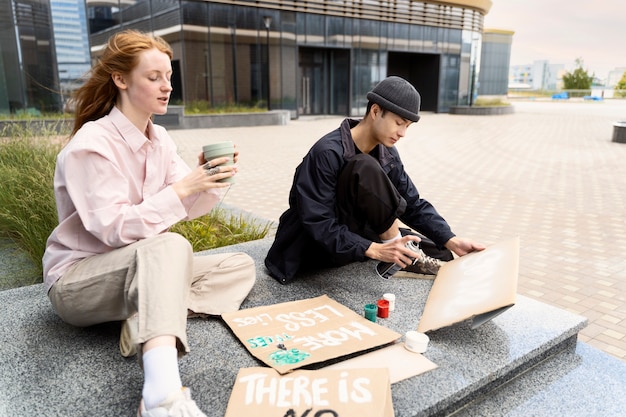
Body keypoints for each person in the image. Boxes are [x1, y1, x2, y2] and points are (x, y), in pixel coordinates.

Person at [42, 30, 256, 417]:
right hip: (79, 281)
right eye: (153, 77)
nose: (166, 86)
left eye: (169, 77)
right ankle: (161, 393)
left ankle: (144, 318)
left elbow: (189, 207)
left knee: (238, 265)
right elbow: (112, 229)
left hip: (141, 268)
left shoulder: (160, 140)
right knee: (172, 246)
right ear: (121, 80)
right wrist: (182, 187)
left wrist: (209, 177)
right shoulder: (92, 145)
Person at [265, 76, 484, 284]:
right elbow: (319, 223)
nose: (402, 133)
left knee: (440, 251)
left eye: (407, 126)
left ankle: (396, 249)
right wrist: (375, 249)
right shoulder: (327, 152)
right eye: (399, 123)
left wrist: (452, 240)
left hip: (356, 231)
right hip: (314, 246)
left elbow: (413, 203)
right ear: (376, 111)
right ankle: (390, 248)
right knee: (364, 167)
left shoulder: (387, 153)